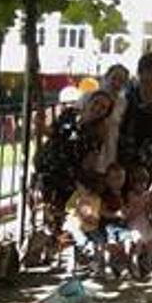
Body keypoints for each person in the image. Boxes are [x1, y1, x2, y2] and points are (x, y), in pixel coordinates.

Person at [34, 90, 115, 233]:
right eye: (96, 103)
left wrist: (85, 181)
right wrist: (40, 125)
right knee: (39, 207)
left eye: (103, 107)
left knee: (55, 214)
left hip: (65, 174)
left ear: (105, 113)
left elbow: (88, 159)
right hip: (46, 163)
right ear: (89, 102)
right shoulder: (69, 113)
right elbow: (53, 132)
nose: (97, 108)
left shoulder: (97, 132)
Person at [64, 178, 106, 276]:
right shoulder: (76, 195)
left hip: (90, 226)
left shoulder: (95, 199)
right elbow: (68, 207)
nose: (77, 188)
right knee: (74, 236)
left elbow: (94, 217)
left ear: (88, 188)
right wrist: (77, 212)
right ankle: (73, 264)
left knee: (100, 241)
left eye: (79, 186)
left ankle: (95, 264)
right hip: (76, 225)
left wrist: (84, 216)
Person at [100, 163, 134, 278]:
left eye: (121, 178)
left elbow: (127, 209)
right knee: (111, 244)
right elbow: (102, 212)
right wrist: (115, 214)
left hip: (122, 225)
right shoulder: (106, 195)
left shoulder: (124, 194)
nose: (118, 181)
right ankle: (107, 266)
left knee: (127, 243)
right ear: (107, 180)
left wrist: (127, 212)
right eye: (114, 178)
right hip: (109, 226)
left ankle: (122, 265)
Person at [125, 166, 152, 278]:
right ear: (133, 184)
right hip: (134, 224)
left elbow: (150, 211)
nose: (143, 186)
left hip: (145, 223)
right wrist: (142, 204)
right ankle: (133, 263)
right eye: (139, 183)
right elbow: (131, 213)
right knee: (138, 242)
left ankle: (147, 262)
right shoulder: (131, 195)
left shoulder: (146, 194)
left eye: (145, 183)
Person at [95, 64, 130, 174]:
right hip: (90, 147)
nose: (116, 83)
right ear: (106, 77)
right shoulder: (89, 96)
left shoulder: (123, 103)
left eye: (121, 81)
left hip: (110, 150)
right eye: (114, 78)